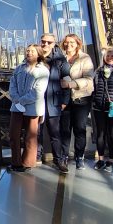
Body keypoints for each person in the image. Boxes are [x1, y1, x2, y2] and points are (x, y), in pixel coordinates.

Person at [8, 45, 47, 172]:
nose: (29, 53)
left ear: (38, 54)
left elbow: (38, 91)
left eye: (32, 51)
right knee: (14, 135)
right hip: (16, 107)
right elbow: (12, 83)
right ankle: (16, 163)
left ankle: (27, 163)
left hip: (33, 108)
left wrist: (22, 100)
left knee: (30, 137)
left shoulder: (43, 70)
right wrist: (15, 98)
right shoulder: (19, 68)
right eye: (27, 51)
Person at [59, 33, 95, 169]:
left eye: (72, 42)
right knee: (65, 129)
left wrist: (71, 84)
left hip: (81, 98)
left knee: (79, 128)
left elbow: (89, 79)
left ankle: (79, 157)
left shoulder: (84, 58)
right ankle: (64, 156)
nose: (69, 45)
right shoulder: (61, 58)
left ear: (77, 44)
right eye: (67, 42)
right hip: (64, 99)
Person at [38, 34, 72, 173]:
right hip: (37, 101)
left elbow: (67, 81)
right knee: (36, 132)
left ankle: (59, 160)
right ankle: (36, 157)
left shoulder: (60, 60)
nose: (45, 44)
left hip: (54, 101)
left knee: (55, 133)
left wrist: (65, 101)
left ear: (54, 44)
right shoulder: (36, 56)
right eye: (43, 41)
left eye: (49, 42)